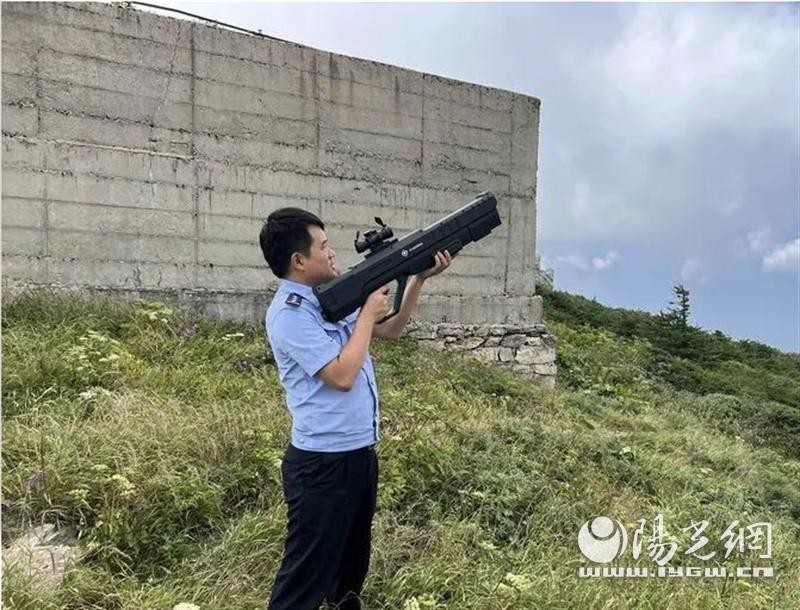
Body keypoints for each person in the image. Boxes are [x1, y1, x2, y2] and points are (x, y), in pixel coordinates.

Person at [259, 207, 453, 610]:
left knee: (350, 569)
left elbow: (391, 329)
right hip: (321, 466)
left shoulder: (329, 297)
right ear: (298, 260)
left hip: (359, 454)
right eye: (323, 246)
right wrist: (365, 314)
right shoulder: (289, 315)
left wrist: (417, 278)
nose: (332, 253)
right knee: (305, 578)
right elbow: (342, 375)